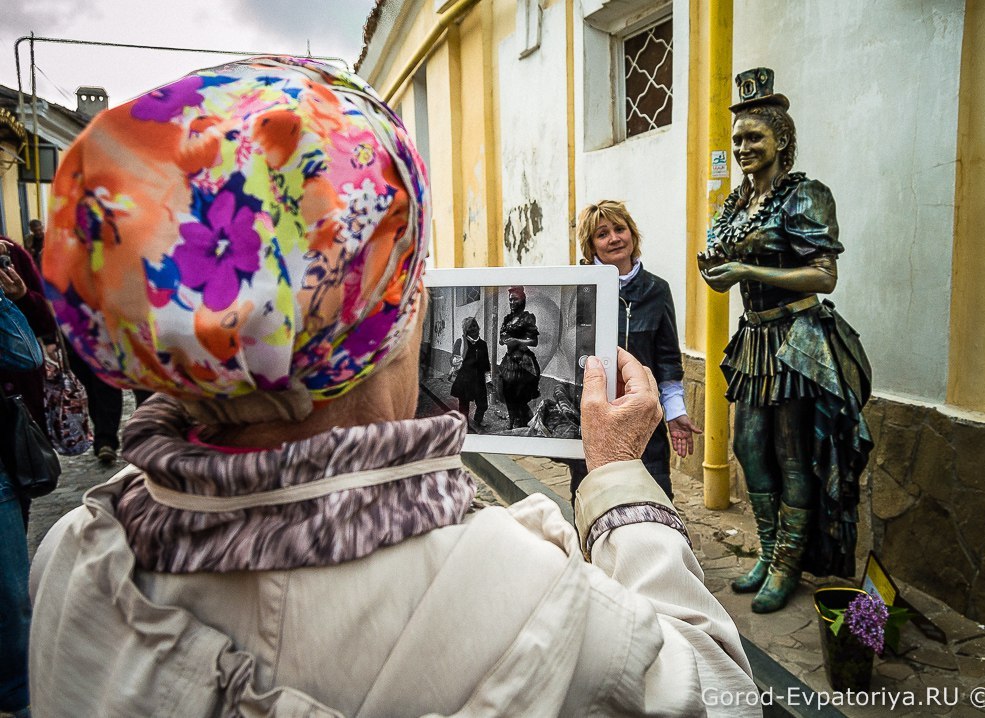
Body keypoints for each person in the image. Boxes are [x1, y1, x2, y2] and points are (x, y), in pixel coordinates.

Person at [28, 57, 758, 716]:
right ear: (391, 321)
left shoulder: (73, 555)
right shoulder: (512, 595)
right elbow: (722, 693)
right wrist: (622, 481)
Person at [698, 68, 873, 614]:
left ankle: (788, 565)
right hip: (754, 339)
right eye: (738, 139)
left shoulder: (807, 197)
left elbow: (823, 277)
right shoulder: (734, 205)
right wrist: (717, 273)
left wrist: (747, 268)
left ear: (782, 141)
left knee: (792, 455)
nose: (744, 147)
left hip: (797, 338)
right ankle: (769, 550)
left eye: (755, 138)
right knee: (750, 450)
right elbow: (723, 262)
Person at [574, 200, 702, 500]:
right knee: (595, 504)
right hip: (595, 419)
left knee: (654, 499)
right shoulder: (581, 290)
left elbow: (667, 359)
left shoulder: (657, 290)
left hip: (644, 418)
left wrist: (675, 412)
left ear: (633, 235)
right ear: (591, 246)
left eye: (620, 229)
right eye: (602, 234)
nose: (614, 238)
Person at [0, 236, 54, 718]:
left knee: (10, 588)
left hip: (9, 447)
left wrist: (13, 299)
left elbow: (34, 348)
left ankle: (17, 695)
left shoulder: (8, 254)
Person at [498, 285, 542, 429]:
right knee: (508, 396)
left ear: (522, 300)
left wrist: (517, 341)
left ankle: (524, 425)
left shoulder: (528, 317)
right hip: (508, 362)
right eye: (510, 300)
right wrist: (503, 339)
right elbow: (500, 340)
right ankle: (512, 421)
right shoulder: (507, 319)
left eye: (515, 300)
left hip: (523, 363)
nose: (512, 303)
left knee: (520, 399)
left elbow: (534, 341)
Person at [449, 316, 490, 428]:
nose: (473, 328)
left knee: (483, 404)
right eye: (470, 326)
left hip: (479, 379)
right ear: (465, 329)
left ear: (478, 327)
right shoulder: (461, 342)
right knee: (464, 404)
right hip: (465, 378)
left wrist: (488, 378)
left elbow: (486, 362)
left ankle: (478, 419)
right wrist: (455, 360)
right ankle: (464, 424)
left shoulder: (483, 344)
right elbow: (453, 358)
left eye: (475, 325)